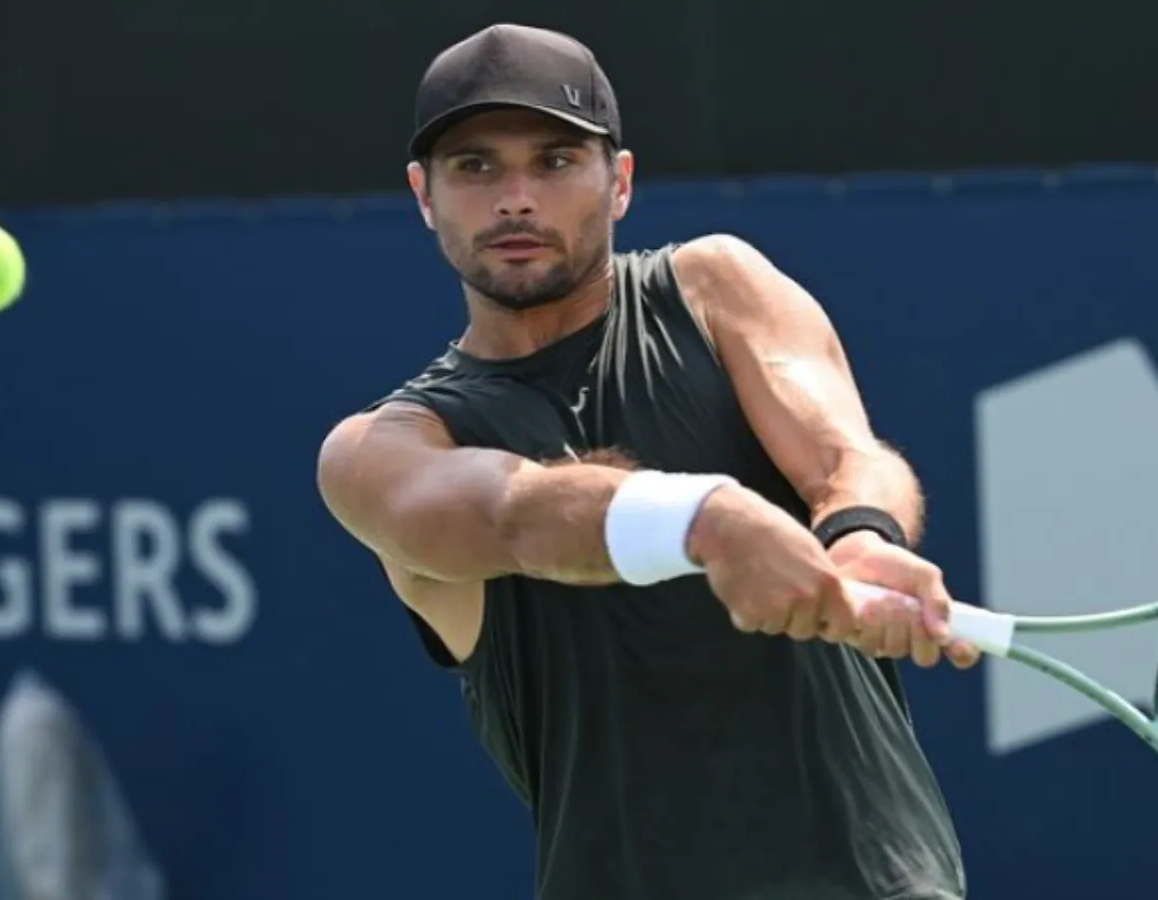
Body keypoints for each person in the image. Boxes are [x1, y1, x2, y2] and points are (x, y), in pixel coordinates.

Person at [316, 22, 980, 900]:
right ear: (423, 195)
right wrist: (706, 518)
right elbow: (511, 516)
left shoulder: (714, 287)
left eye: (555, 161)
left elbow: (847, 458)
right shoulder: (381, 451)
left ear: (619, 182)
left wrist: (861, 532)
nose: (516, 198)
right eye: (476, 166)